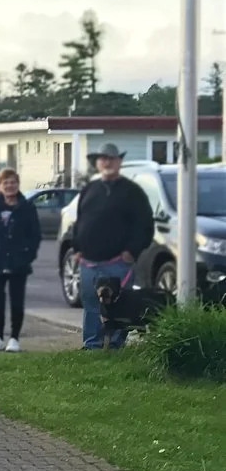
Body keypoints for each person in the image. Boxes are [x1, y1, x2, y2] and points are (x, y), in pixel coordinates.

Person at [71, 143, 154, 351]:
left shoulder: (132, 192)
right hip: (89, 262)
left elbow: (144, 225)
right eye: (103, 159)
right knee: (91, 303)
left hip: (118, 262)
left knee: (120, 304)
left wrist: (132, 251)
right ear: (97, 163)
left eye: (111, 158)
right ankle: (92, 344)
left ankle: (116, 344)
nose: (107, 162)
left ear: (119, 162)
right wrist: (77, 248)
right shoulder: (90, 189)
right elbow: (79, 221)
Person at [0, 169, 42, 353]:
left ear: (18, 184)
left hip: (18, 262)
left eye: (13, 182)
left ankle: (14, 338)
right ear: (0, 185)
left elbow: (35, 234)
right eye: (5, 182)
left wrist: (28, 254)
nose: (9, 186)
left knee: (17, 301)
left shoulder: (27, 207)